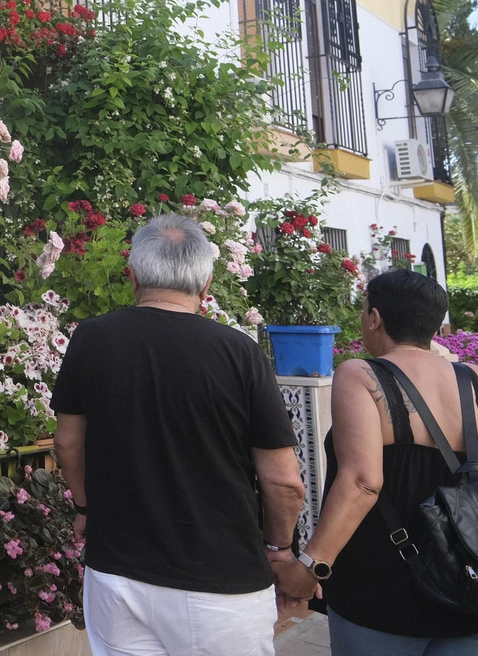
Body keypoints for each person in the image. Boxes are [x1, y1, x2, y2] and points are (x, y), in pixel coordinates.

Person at [53, 213, 306, 656]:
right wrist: (280, 548)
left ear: (132, 278)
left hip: (117, 574)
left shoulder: (91, 339)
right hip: (221, 584)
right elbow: (284, 482)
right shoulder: (239, 353)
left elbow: (67, 443)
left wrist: (84, 506)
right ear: (206, 285)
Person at [272, 268, 478, 653]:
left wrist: (309, 567)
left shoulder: (361, 375)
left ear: (375, 317)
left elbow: (363, 482)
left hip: (381, 591)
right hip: (476, 582)